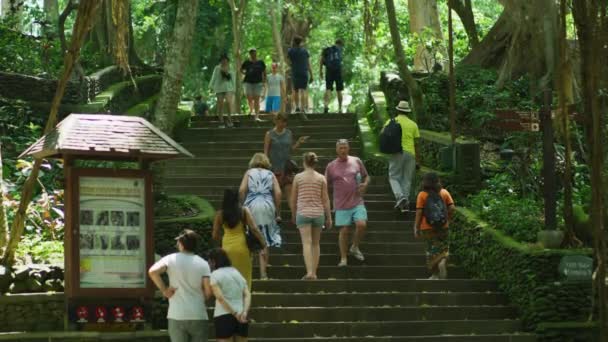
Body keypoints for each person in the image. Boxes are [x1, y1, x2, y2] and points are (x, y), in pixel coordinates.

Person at [148, 230, 212, 342]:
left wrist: (164, 290)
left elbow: (153, 272)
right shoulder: (203, 263)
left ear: (181, 244)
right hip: (198, 314)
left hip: (176, 315)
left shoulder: (170, 259)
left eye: (178, 242)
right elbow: (208, 293)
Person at [325, 139, 370, 266]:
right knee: (344, 230)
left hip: (357, 200)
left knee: (361, 224)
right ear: (336, 150)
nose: (343, 150)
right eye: (341, 148)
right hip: (341, 203)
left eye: (345, 147)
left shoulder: (356, 161)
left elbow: (366, 176)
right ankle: (343, 258)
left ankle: (355, 247)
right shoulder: (331, 166)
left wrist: (365, 184)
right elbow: (325, 184)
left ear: (348, 148)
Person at [213, 189, 267, 290]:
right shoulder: (244, 211)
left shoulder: (220, 214)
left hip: (226, 248)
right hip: (242, 247)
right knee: (244, 274)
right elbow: (254, 229)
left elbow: (215, 235)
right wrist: (263, 243)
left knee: (228, 275)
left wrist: (222, 239)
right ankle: (244, 300)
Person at [239, 153, 282, 280]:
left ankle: (249, 273)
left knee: (250, 236)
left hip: (251, 206)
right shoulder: (270, 174)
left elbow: (241, 190)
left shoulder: (249, 172)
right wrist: (278, 212)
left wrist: (242, 205)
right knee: (265, 238)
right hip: (267, 205)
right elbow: (278, 193)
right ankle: (263, 274)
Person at [290, 152, 332, 280]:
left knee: (306, 243)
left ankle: (309, 272)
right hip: (318, 213)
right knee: (316, 243)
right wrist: (329, 217)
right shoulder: (321, 178)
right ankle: (314, 272)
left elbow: (293, 198)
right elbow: (326, 199)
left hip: (303, 213)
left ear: (304, 162)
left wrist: (293, 213)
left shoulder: (298, 177)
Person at [264, 112, 309, 217]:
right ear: (276, 121)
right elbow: (266, 151)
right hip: (274, 167)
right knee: (277, 193)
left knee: (290, 192)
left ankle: (295, 215)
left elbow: (291, 149)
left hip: (287, 167)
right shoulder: (269, 134)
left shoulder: (289, 133)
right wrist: (266, 165)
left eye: (285, 122)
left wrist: (298, 142)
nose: (283, 124)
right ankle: (277, 215)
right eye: (281, 121)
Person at [414, 172, 455, 280]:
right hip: (443, 226)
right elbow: (452, 208)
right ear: (438, 181)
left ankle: (435, 274)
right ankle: (443, 261)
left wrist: (416, 227)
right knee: (444, 248)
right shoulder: (444, 192)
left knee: (431, 250)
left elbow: (419, 212)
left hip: (427, 228)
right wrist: (448, 219)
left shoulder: (422, 195)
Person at [383, 100, 420, 212]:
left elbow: (383, 135)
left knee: (393, 176)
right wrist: (418, 160)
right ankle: (405, 204)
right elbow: (417, 143)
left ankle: (400, 197)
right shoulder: (413, 124)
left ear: (397, 110)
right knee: (407, 179)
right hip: (410, 153)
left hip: (396, 152)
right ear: (408, 111)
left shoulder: (390, 121)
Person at [208, 248, 251, 342]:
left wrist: (234, 313)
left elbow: (220, 298)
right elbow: (247, 294)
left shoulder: (214, 275)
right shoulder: (236, 272)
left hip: (223, 316)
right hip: (241, 315)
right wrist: (244, 312)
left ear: (213, 261)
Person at [287, 36, 313, 117]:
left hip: (295, 72)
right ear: (300, 42)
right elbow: (308, 64)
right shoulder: (305, 51)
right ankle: (303, 108)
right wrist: (311, 75)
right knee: (303, 90)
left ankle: (297, 107)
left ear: (294, 42)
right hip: (304, 72)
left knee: (296, 90)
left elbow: (288, 61)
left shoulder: (290, 51)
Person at [209, 54, 236, 128]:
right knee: (220, 103)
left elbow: (233, 78)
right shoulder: (217, 68)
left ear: (228, 60)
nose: (224, 61)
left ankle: (229, 119)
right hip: (219, 88)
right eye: (222, 60)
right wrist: (211, 86)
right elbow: (213, 77)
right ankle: (221, 121)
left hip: (229, 88)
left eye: (225, 60)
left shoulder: (231, 68)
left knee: (228, 102)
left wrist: (234, 88)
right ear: (220, 61)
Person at [319, 39, 345, 114]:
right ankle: (340, 108)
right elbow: (340, 62)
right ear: (341, 44)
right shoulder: (340, 50)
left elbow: (321, 60)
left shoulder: (327, 50)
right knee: (339, 90)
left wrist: (320, 71)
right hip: (338, 71)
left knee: (328, 89)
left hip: (329, 71)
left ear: (335, 43)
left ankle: (326, 106)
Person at [241, 48, 266, 121]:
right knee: (249, 98)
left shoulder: (260, 62)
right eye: (252, 53)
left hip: (258, 82)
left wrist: (264, 81)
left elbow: (264, 72)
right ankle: (251, 109)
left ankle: (257, 116)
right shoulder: (247, 62)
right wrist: (245, 73)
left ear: (256, 53)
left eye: (254, 53)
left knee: (257, 99)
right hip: (248, 82)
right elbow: (241, 69)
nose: (253, 54)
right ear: (250, 54)